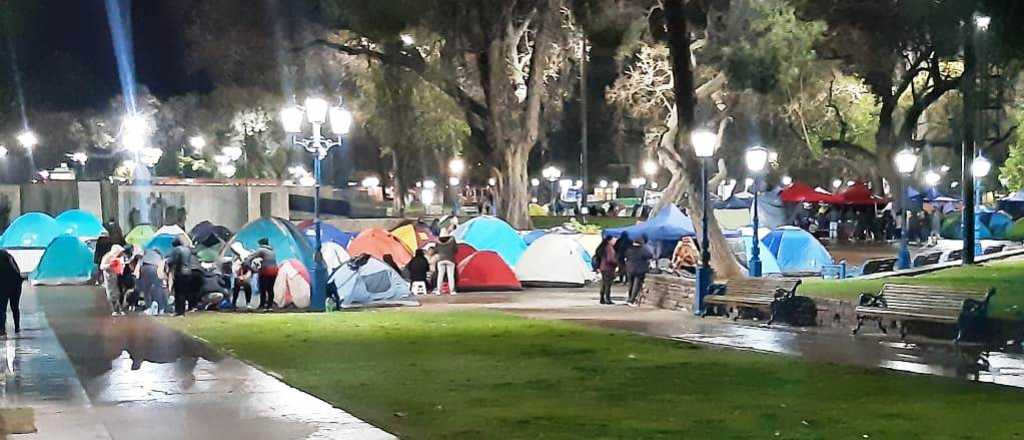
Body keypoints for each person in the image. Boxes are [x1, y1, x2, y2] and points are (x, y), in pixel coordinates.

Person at [167, 237, 200, 316]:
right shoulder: (187, 250)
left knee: (178, 293)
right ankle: (183, 311)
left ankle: (179, 311)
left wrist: (169, 266)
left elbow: (172, 261)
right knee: (184, 292)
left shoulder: (176, 250)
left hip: (180, 272)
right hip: (188, 272)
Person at [244, 239, 278, 311]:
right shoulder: (272, 251)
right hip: (274, 270)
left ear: (260, 244)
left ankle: (262, 306)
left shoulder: (261, 250)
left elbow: (249, 258)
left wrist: (250, 267)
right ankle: (270, 306)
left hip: (266, 270)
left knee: (262, 288)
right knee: (270, 289)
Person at [0, 249, 24, 336]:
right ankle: (17, 327)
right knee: (15, 307)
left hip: (3, 286)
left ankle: (2, 330)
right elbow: (17, 271)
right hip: (16, 285)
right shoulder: (9, 257)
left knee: (2, 309)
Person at [625, 236, 654, 306]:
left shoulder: (629, 249)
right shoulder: (643, 249)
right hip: (640, 269)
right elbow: (650, 255)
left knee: (630, 284)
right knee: (636, 285)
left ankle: (629, 298)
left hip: (629, 268)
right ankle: (632, 300)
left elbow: (626, 256)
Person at [100, 245, 126, 315]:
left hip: (118, 276)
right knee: (111, 293)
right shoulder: (107, 256)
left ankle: (120, 309)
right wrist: (110, 265)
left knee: (120, 292)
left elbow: (122, 264)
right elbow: (102, 266)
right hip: (109, 277)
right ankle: (114, 310)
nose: (120, 254)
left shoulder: (120, 257)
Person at [593, 237, 618, 305]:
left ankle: (602, 298)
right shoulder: (609, 248)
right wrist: (616, 262)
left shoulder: (603, 248)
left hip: (603, 267)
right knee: (608, 284)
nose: (615, 241)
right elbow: (610, 259)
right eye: (614, 240)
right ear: (609, 241)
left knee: (604, 284)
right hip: (608, 268)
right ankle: (607, 299)